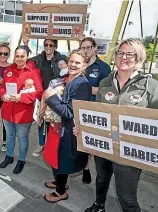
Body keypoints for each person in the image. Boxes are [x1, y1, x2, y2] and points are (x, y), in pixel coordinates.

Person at [75, 38, 158, 212]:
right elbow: (96, 114)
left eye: (130, 54)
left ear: (139, 58)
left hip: (131, 152)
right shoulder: (106, 82)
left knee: (126, 197)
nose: (124, 57)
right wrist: (83, 130)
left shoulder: (151, 87)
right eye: (120, 53)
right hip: (104, 147)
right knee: (102, 179)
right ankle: (99, 205)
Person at [42, 50, 90, 203]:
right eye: (71, 61)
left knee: (61, 160)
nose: (73, 65)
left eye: (77, 63)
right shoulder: (64, 79)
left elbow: (70, 112)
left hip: (67, 130)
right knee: (54, 158)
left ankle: (61, 191)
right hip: (56, 127)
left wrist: (50, 98)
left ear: (84, 65)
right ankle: (59, 182)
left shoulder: (83, 85)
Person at [0, 46, 43, 174]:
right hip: (8, 111)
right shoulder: (9, 70)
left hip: (23, 113)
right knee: (10, 136)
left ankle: (21, 160)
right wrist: (3, 95)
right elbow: (2, 87)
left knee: (23, 138)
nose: (19, 59)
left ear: (27, 56)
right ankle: (9, 156)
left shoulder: (33, 72)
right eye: (17, 56)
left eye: (22, 56)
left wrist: (21, 97)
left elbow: (39, 92)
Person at [22, 36, 68, 157]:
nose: (48, 47)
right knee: (40, 119)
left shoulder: (61, 58)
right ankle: (42, 144)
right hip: (41, 95)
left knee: (54, 120)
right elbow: (25, 60)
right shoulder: (40, 58)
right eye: (46, 45)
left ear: (55, 47)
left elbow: (75, 65)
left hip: (55, 95)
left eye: (51, 45)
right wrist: (25, 44)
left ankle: (52, 146)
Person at [79, 36, 112, 184]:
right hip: (74, 107)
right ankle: (74, 166)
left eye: (88, 47)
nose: (85, 51)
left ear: (95, 48)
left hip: (92, 110)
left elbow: (108, 92)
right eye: (83, 48)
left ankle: (85, 168)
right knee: (75, 140)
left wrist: (88, 88)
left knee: (88, 143)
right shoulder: (77, 63)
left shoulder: (104, 67)